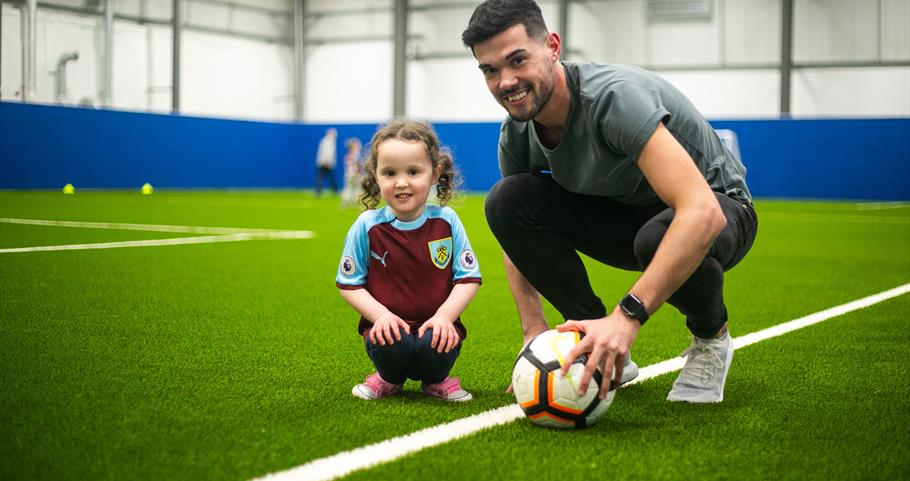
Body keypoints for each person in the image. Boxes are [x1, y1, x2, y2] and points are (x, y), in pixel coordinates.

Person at [462, 0, 757, 403]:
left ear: (552, 47)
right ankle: (588, 330)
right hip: (630, 215)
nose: (506, 81)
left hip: (722, 209)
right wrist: (533, 332)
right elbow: (514, 233)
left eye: (517, 60)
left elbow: (701, 211)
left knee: (658, 236)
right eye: (490, 70)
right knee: (506, 199)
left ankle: (711, 338)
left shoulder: (615, 99)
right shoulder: (518, 131)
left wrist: (627, 317)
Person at [336, 121, 481, 401]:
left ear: (435, 173)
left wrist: (444, 318)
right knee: (390, 339)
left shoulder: (447, 221)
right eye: (389, 173)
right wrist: (380, 316)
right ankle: (388, 379)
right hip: (389, 328)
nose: (401, 182)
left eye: (413, 172)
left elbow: (467, 279)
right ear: (375, 176)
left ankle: (436, 380)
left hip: (436, 328)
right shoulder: (367, 225)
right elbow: (349, 284)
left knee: (437, 341)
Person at [340, 137, 363, 208]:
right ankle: (355, 203)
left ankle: (345, 202)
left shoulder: (347, 155)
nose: (359, 145)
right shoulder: (356, 154)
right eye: (357, 144)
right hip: (354, 174)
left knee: (348, 188)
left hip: (348, 174)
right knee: (357, 189)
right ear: (353, 146)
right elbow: (357, 165)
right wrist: (358, 173)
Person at [315, 128, 338, 195]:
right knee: (321, 178)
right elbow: (326, 153)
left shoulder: (330, 141)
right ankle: (319, 191)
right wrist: (329, 163)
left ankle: (334, 190)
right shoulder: (326, 141)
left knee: (329, 177)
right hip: (324, 163)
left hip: (325, 163)